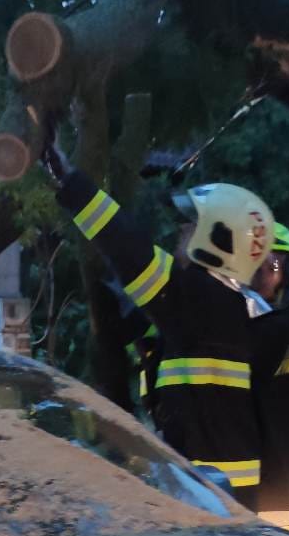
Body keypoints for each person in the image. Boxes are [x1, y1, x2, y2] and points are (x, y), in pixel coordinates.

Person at [42, 142, 276, 507]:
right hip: (231, 493)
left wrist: (71, 183)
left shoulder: (198, 297)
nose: (181, 229)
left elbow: (129, 249)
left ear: (217, 239)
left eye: (192, 224)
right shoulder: (243, 308)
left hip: (203, 494)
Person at [250, 222, 289, 529]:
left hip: (270, 484)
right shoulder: (281, 326)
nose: (264, 271)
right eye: (257, 262)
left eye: (273, 263)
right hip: (268, 481)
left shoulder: (282, 328)